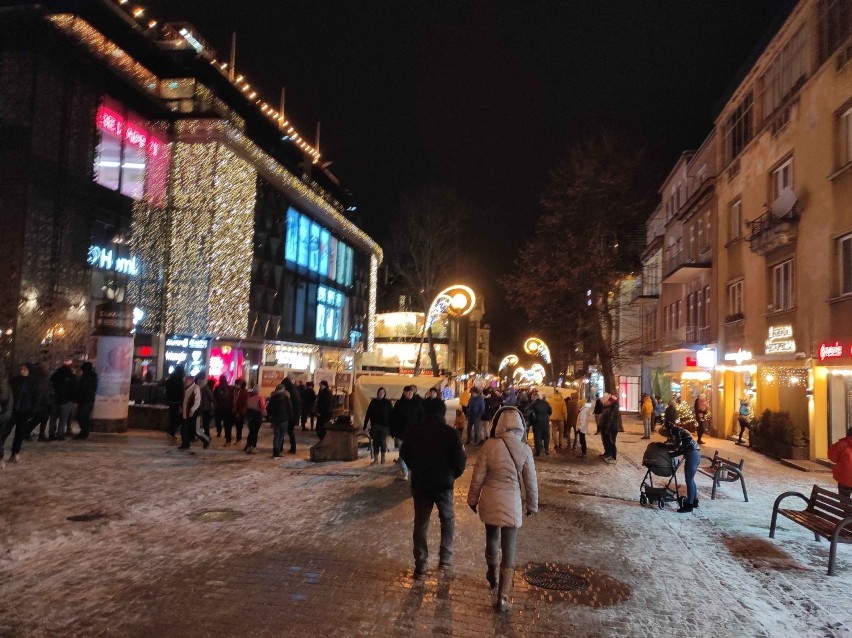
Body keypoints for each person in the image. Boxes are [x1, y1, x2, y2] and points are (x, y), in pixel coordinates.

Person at [468, 407, 538, 613]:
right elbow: (531, 481)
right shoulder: (524, 449)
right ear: (521, 426)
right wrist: (532, 505)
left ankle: (492, 575)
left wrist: (473, 499)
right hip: (512, 502)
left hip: (490, 499)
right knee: (509, 549)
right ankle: (503, 598)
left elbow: (477, 476)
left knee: (491, 539)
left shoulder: (489, 446)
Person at [400, 411, 467, 578]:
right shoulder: (450, 433)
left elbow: (404, 454)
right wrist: (453, 475)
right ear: (442, 414)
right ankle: (445, 558)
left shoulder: (414, 431)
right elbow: (460, 459)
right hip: (443, 484)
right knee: (447, 519)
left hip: (421, 484)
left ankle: (421, 564)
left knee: (421, 523)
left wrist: (415, 468)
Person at [1, 364, 37, 464]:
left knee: (19, 434)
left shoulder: (33, 382)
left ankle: (15, 453)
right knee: (5, 431)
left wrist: (32, 411)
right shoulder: (15, 381)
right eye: (21, 369)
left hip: (25, 412)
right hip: (13, 410)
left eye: (25, 369)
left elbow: (36, 398)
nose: (22, 371)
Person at [390, 386, 424, 480]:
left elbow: (422, 417)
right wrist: (393, 432)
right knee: (402, 454)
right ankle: (405, 472)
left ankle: (414, 471)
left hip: (414, 434)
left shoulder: (417, 403)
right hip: (401, 434)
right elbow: (393, 419)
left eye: (411, 392)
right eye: (408, 392)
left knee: (414, 453)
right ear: (404, 393)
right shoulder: (399, 404)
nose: (410, 394)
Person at [668, 419, 701, 513]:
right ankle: (694, 501)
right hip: (695, 454)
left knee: (689, 480)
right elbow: (681, 448)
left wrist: (671, 453)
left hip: (691, 455)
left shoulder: (677, 432)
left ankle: (689, 505)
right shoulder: (682, 431)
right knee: (691, 479)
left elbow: (678, 446)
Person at [49, 359, 77, 440]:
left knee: (53, 418)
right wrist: (72, 399)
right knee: (63, 419)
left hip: (55, 399)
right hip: (66, 400)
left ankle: (51, 434)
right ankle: (60, 435)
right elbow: (74, 388)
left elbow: (50, 385)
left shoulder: (55, 375)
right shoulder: (72, 376)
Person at [364, 387, 393, 465]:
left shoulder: (387, 403)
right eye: (380, 392)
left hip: (385, 426)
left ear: (385, 393)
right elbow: (368, 413)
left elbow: (392, 415)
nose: (381, 394)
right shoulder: (373, 402)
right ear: (377, 393)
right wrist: (365, 424)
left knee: (383, 441)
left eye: (383, 392)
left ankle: (383, 458)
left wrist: (392, 427)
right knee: (375, 442)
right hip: (375, 425)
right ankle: (376, 459)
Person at [180, 375, 209, 451]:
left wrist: (192, 410)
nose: (184, 383)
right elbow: (185, 400)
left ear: (190, 381)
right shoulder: (187, 389)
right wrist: (182, 407)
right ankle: (185, 444)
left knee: (195, 430)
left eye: (186, 381)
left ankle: (206, 439)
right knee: (184, 429)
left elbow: (197, 401)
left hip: (194, 413)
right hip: (186, 413)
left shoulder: (196, 388)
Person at [267, 384, 295, 457]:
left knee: (276, 435)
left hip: (275, 419)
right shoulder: (286, 397)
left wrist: (269, 416)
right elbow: (290, 409)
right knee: (281, 435)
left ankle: (275, 451)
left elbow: (269, 408)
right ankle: (278, 451)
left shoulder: (273, 397)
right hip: (284, 419)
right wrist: (291, 418)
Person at [74, 362, 98, 440]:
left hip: (84, 399)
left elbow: (82, 388)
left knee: (82, 417)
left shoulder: (86, 377)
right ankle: (85, 432)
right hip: (90, 399)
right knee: (85, 417)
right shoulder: (93, 376)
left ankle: (83, 433)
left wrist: (78, 394)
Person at [828, 428, 852, 499]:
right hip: (845, 477)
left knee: (844, 498)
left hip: (845, 477)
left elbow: (832, 457)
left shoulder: (842, 444)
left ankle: (846, 510)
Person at [528, 390, 552, 456]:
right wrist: (546, 416)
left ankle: (538, 451)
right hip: (545, 422)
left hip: (537, 422)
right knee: (546, 436)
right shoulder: (546, 403)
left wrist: (531, 421)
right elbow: (550, 411)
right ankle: (546, 449)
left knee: (537, 436)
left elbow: (529, 412)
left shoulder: (534, 403)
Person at [599, 393, 622, 464]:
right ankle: (608, 454)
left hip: (612, 428)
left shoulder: (614, 407)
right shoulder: (610, 407)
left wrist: (606, 428)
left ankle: (613, 457)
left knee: (612, 442)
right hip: (609, 427)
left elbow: (610, 419)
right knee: (608, 441)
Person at [165, 365, 185, 442]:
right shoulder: (179, 380)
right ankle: (171, 432)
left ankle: (171, 432)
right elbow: (181, 391)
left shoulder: (171, 379)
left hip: (171, 401)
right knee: (179, 418)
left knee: (173, 417)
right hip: (177, 402)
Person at [244, 385, 266, 454]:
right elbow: (262, 407)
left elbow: (247, 407)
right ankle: (253, 447)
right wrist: (265, 414)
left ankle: (248, 446)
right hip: (257, 416)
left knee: (251, 432)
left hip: (250, 416)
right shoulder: (260, 398)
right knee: (255, 432)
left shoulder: (249, 398)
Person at [213, 375, 234, 442]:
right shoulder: (230, 388)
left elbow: (214, 397)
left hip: (219, 407)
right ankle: (226, 434)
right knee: (226, 422)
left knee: (218, 421)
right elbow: (231, 398)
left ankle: (219, 432)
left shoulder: (217, 388)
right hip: (227, 408)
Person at [232, 379, 249, 444]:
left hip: (240, 412)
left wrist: (239, 412)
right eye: (236, 384)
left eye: (238, 384)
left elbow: (245, 404)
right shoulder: (233, 390)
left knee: (239, 426)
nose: (236, 385)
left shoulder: (244, 392)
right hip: (233, 410)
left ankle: (238, 439)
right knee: (236, 425)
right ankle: (236, 438)